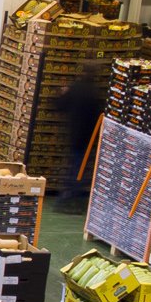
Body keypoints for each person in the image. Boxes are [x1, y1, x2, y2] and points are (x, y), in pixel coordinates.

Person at [56, 62, 107, 208]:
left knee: (75, 164)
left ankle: (67, 196)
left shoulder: (76, 88)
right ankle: (71, 196)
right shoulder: (94, 92)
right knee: (79, 165)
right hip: (88, 135)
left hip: (74, 132)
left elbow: (60, 106)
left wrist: (62, 93)